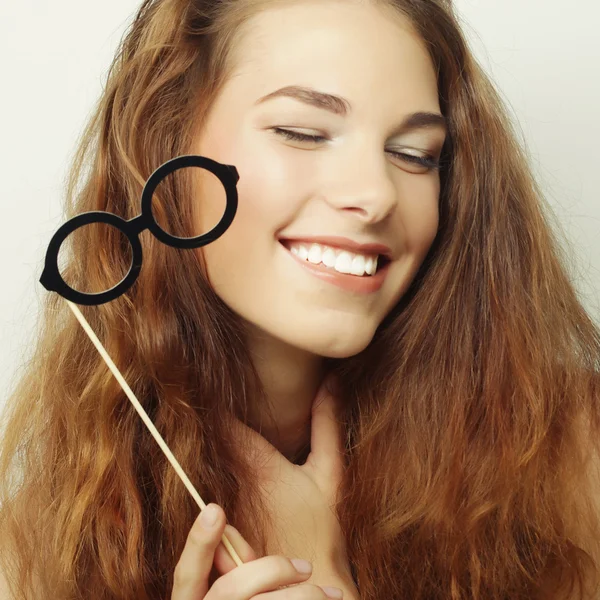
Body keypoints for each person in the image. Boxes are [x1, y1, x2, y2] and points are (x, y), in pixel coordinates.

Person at [1, 0, 599, 598]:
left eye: (415, 154)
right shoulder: (29, 555)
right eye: (302, 133)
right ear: (166, 148)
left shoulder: (577, 452)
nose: (374, 194)